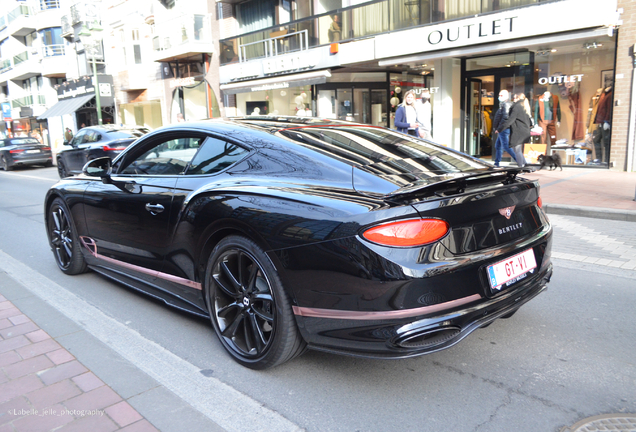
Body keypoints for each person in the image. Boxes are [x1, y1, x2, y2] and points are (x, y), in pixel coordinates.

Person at [496, 92, 532, 167]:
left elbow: (510, 120)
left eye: (515, 98)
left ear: (518, 98)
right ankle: (525, 165)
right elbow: (529, 120)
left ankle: (521, 167)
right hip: (524, 131)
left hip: (518, 131)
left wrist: (500, 129)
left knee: (517, 150)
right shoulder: (524, 106)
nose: (513, 99)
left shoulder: (516, 106)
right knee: (518, 150)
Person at [491, 90, 516, 167]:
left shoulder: (506, 104)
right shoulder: (503, 104)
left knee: (506, 146)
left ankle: (520, 161)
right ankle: (496, 163)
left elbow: (505, 118)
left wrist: (499, 128)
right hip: (503, 129)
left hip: (504, 129)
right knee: (498, 146)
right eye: (499, 95)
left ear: (506, 96)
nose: (499, 97)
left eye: (501, 95)